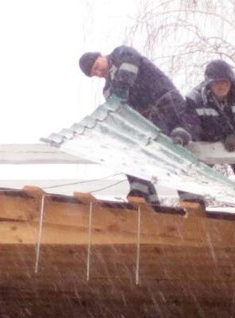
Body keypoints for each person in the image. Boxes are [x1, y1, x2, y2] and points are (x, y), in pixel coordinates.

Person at [79, 46, 201, 206]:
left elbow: (129, 66)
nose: (97, 72)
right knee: (132, 147)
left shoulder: (121, 54)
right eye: (93, 73)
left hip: (168, 106)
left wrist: (121, 89)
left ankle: (190, 196)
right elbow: (118, 111)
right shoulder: (108, 89)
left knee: (174, 150)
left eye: (96, 66)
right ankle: (145, 195)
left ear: (101, 56)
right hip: (149, 119)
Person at [186, 59, 235, 197]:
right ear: (209, 83)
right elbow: (191, 125)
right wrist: (215, 137)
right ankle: (194, 206)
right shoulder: (195, 98)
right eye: (216, 82)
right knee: (195, 176)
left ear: (231, 82)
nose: (221, 86)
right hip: (207, 145)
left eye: (225, 82)